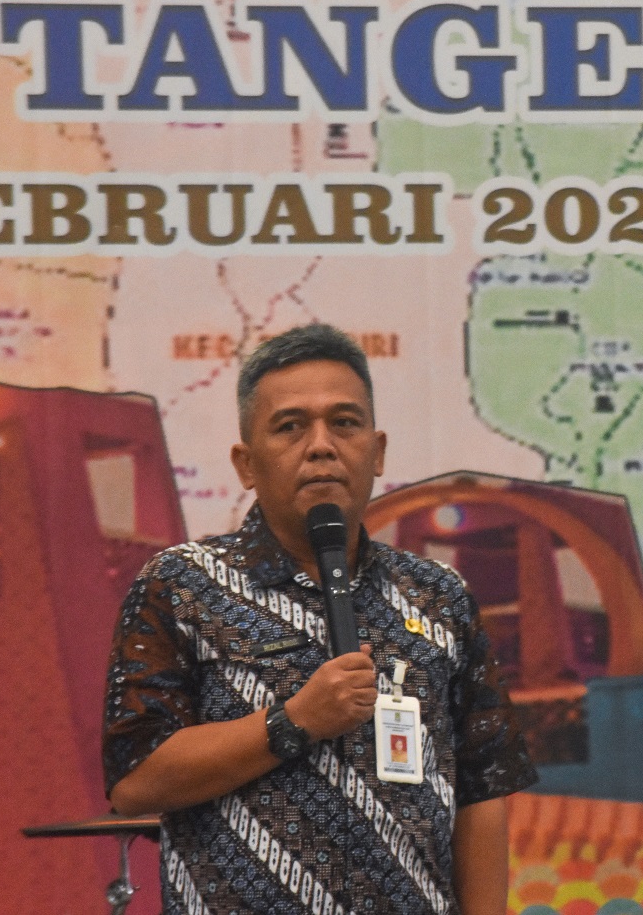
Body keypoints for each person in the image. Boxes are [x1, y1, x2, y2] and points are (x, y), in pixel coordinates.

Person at [102, 323, 537, 915]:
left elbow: (481, 791)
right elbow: (135, 781)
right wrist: (293, 721)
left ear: (377, 453)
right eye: (290, 426)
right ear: (245, 463)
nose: (321, 445)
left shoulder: (440, 596)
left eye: (345, 423)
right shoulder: (181, 585)